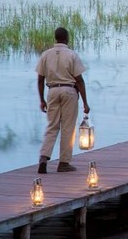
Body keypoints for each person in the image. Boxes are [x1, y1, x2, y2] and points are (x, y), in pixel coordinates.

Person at [36, 27, 90, 173]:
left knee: (52, 125)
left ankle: (43, 157)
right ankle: (64, 163)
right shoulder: (72, 55)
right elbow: (79, 80)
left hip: (52, 91)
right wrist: (85, 102)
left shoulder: (46, 55)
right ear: (67, 38)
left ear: (55, 38)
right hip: (69, 91)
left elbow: (40, 79)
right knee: (68, 128)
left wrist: (41, 99)